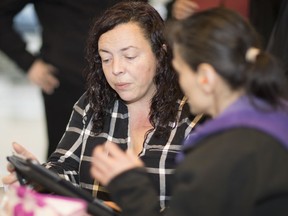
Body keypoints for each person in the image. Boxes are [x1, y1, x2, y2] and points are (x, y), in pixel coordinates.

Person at [3, 1, 204, 211]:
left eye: (130, 56)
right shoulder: (93, 104)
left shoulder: (193, 115)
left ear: (161, 54)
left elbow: (200, 205)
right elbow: (65, 166)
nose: (116, 69)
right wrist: (39, 179)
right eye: (106, 59)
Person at [90, 7, 288, 216]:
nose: (179, 83)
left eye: (181, 72)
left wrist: (129, 185)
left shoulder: (223, 153)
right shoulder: (273, 118)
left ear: (206, 77)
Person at [0, 0, 147, 158]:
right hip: (66, 83)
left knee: (130, 155)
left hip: (128, 82)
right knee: (66, 158)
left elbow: (142, 15)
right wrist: (28, 62)